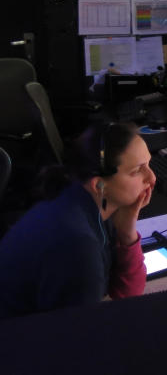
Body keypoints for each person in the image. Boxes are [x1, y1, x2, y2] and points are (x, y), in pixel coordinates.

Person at [0, 122, 155, 319]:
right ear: (99, 184)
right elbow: (80, 340)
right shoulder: (78, 245)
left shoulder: (83, 199)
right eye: (137, 170)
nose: (152, 178)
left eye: (149, 164)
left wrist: (127, 233)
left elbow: (128, 294)